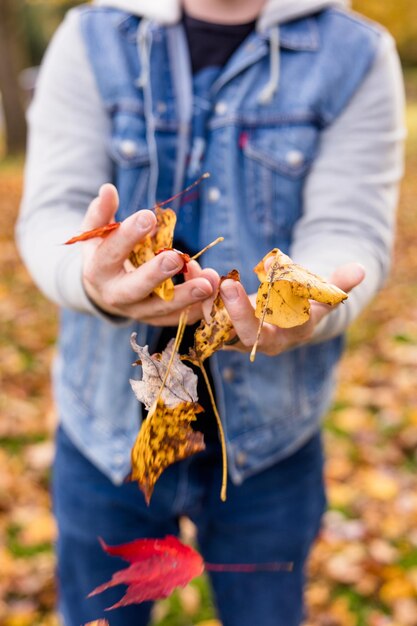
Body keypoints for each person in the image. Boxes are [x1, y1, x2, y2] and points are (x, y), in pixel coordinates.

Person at [16, 0, 405, 624]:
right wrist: (91, 280)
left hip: (268, 441)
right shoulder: (92, 37)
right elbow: (50, 214)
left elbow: (348, 228)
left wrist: (308, 306)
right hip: (106, 435)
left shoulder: (356, 53)